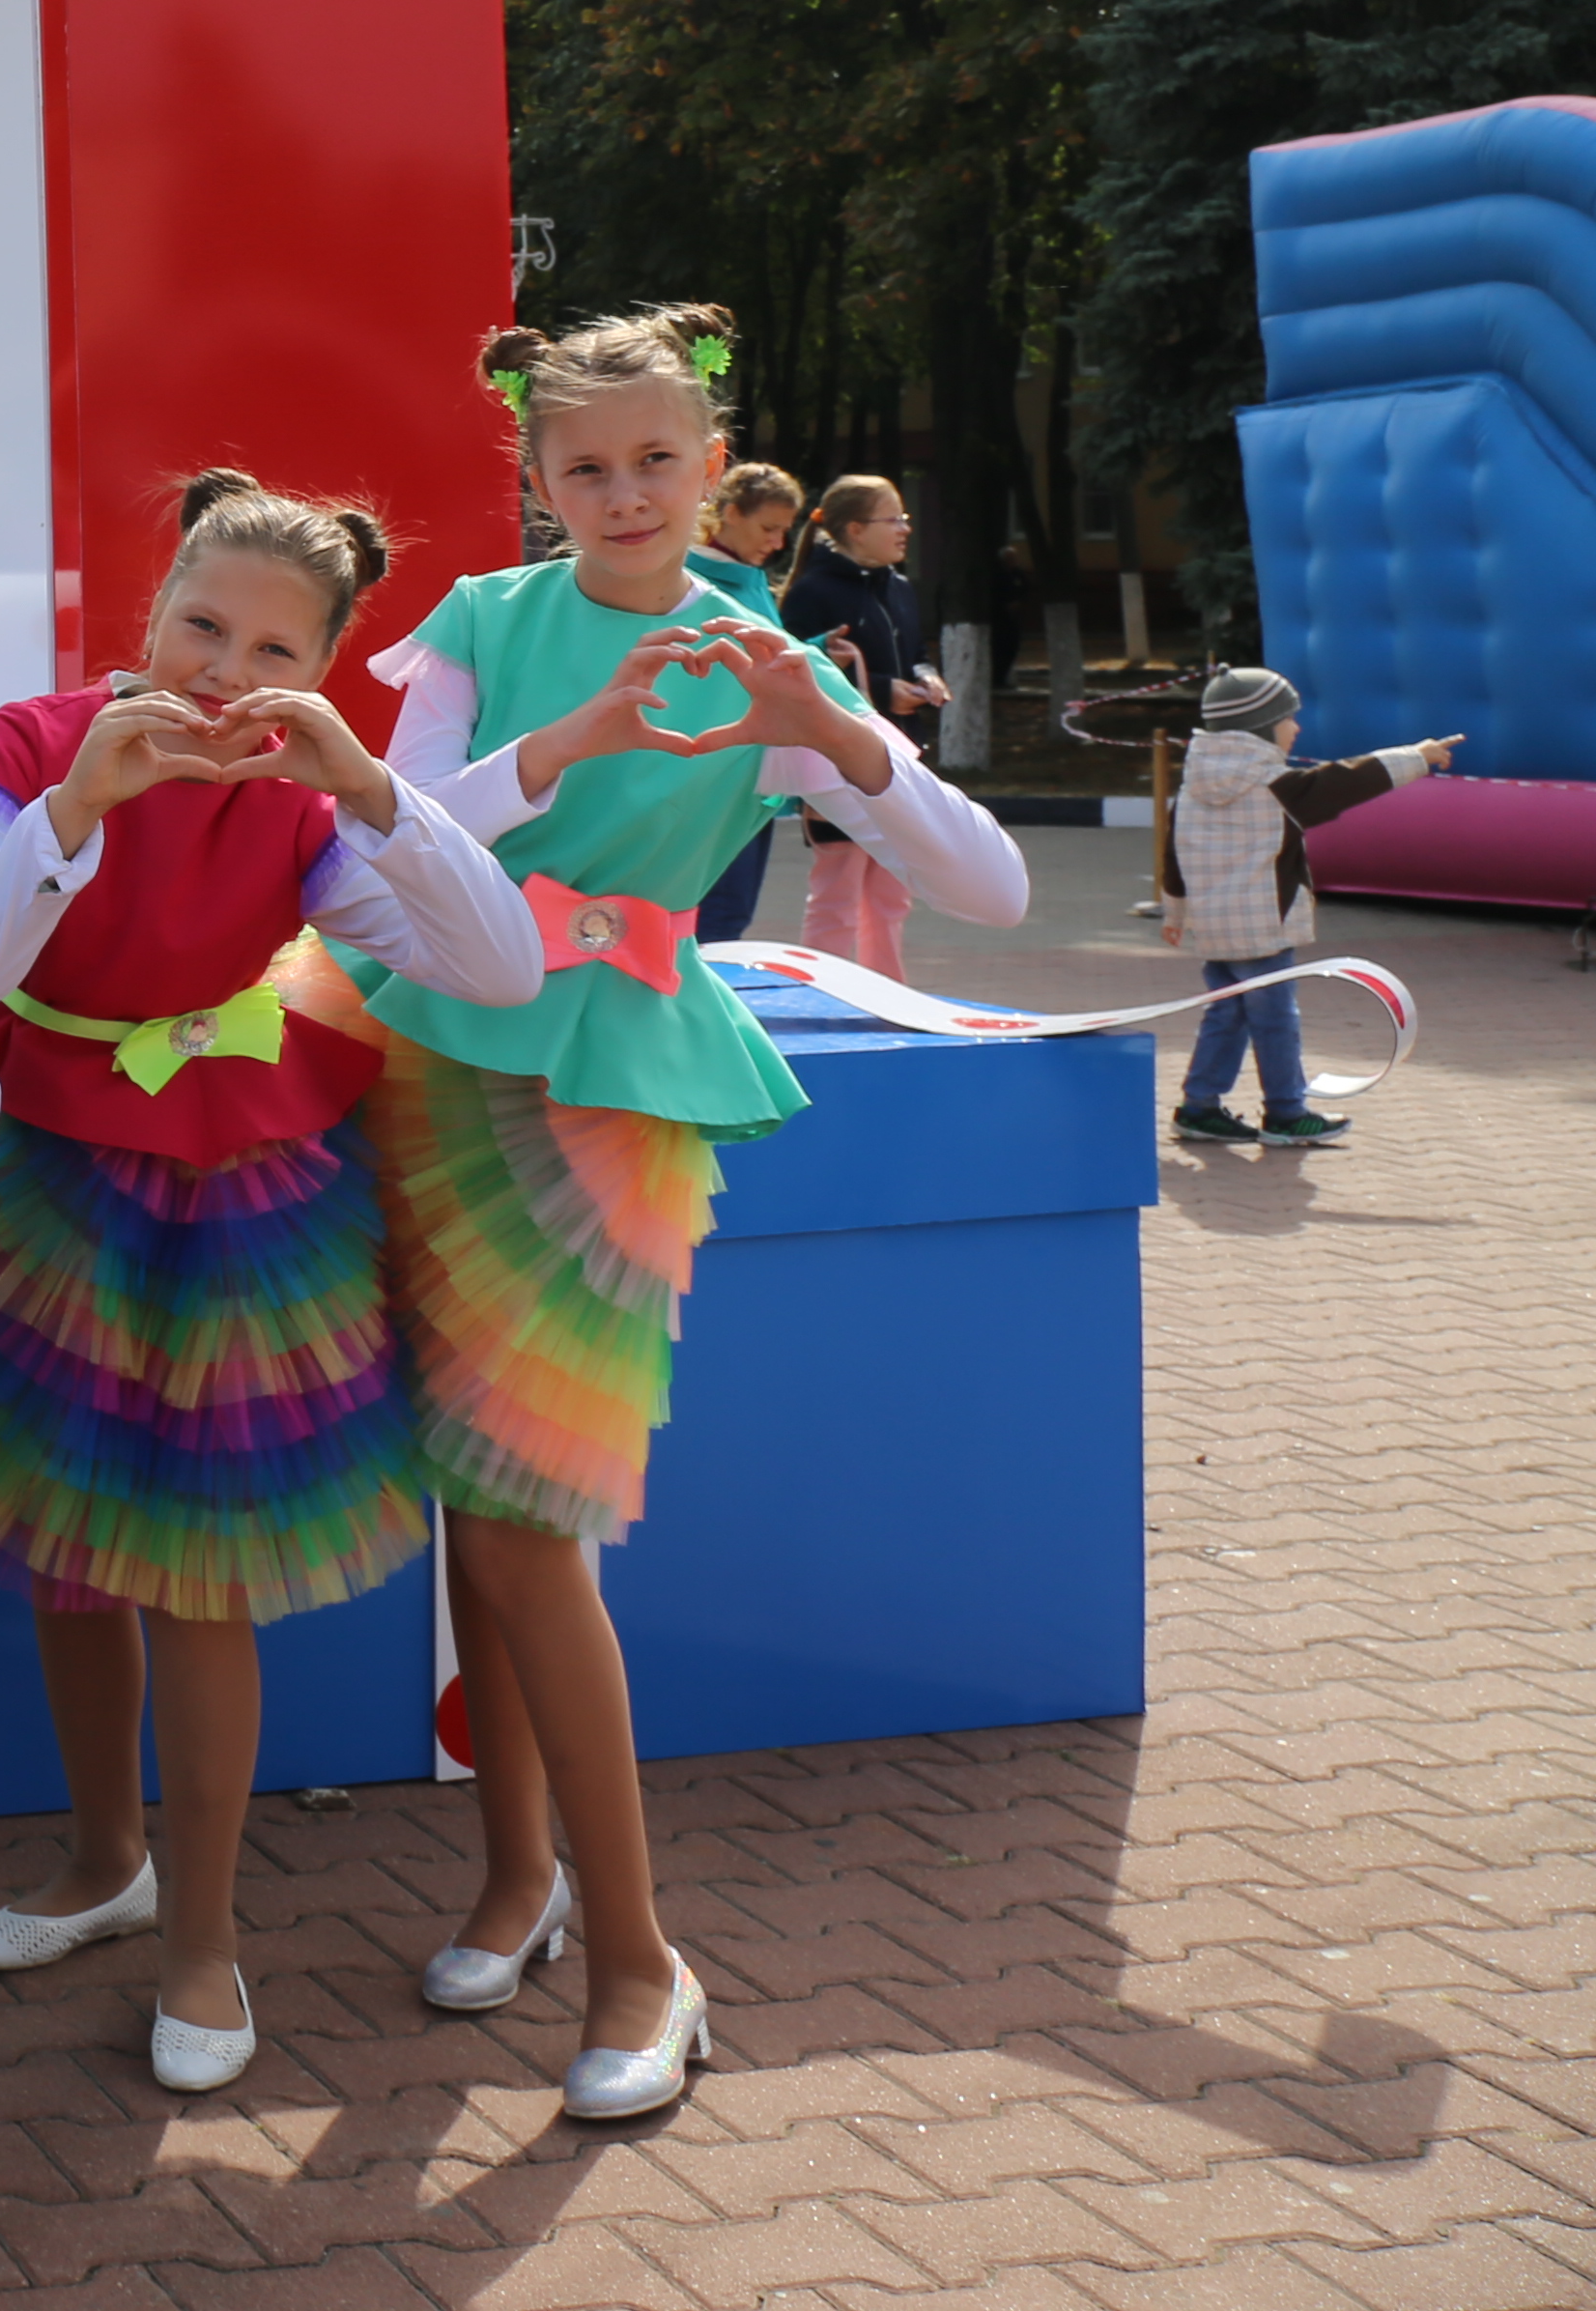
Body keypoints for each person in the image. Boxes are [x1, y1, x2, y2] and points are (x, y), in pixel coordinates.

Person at [344, 308, 1025, 2121]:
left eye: (658, 460)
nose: (623, 493)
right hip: (430, 1056)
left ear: (713, 468)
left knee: (526, 1515)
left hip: (609, 1089)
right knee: (465, 1490)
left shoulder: (762, 650)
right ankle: (515, 1873)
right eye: (585, 465)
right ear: (534, 475)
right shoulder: (479, 626)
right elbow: (386, 846)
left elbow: (997, 880)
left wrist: (842, 740)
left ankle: (645, 1954)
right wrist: (558, 738)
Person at [0, 475, 533, 2100]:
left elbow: (495, 964)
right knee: (66, 1543)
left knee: (198, 1570)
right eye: (200, 621)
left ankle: (204, 1929)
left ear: (322, 667)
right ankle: (101, 1858)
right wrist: (74, 807)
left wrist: (375, 793)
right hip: (47, 1177)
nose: (218, 668)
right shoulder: (24, 741)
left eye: (270, 647)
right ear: (151, 602)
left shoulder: (303, 798)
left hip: (241, 1193)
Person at [1157, 667, 1452, 1150]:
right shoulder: (1278, 785)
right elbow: (1348, 781)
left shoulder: (1192, 786)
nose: (1297, 728)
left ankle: (1200, 1106)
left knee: (1227, 1014)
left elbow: (1173, 851)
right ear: (1260, 726)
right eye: (1289, 718)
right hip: (1263, 928)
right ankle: (1287, 1114)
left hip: (1216, 929)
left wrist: (1174, 913)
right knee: (1275, 1020)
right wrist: (1417, 756)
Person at [775, 473, 952, 980]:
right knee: (837, 894)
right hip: (836, 769)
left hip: (898, 764)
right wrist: (878, 685)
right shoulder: (812, 592)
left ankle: (888, 998)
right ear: (854, 528)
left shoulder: (897, 586)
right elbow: (796, 675)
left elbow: (915, 652)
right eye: (893, 518)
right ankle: (821, 996)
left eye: (905, 518)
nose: (904, 529)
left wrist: (925, 676)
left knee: (893, 895)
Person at [685, 465, 810, 945]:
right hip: (711, 772)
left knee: (730, 913)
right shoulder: (689, 578)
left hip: (754, 770)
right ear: (730, 513)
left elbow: (763, 657)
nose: (777, 543)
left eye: (784, 531)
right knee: (713, 914)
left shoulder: (747, 577)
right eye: (768, 528)